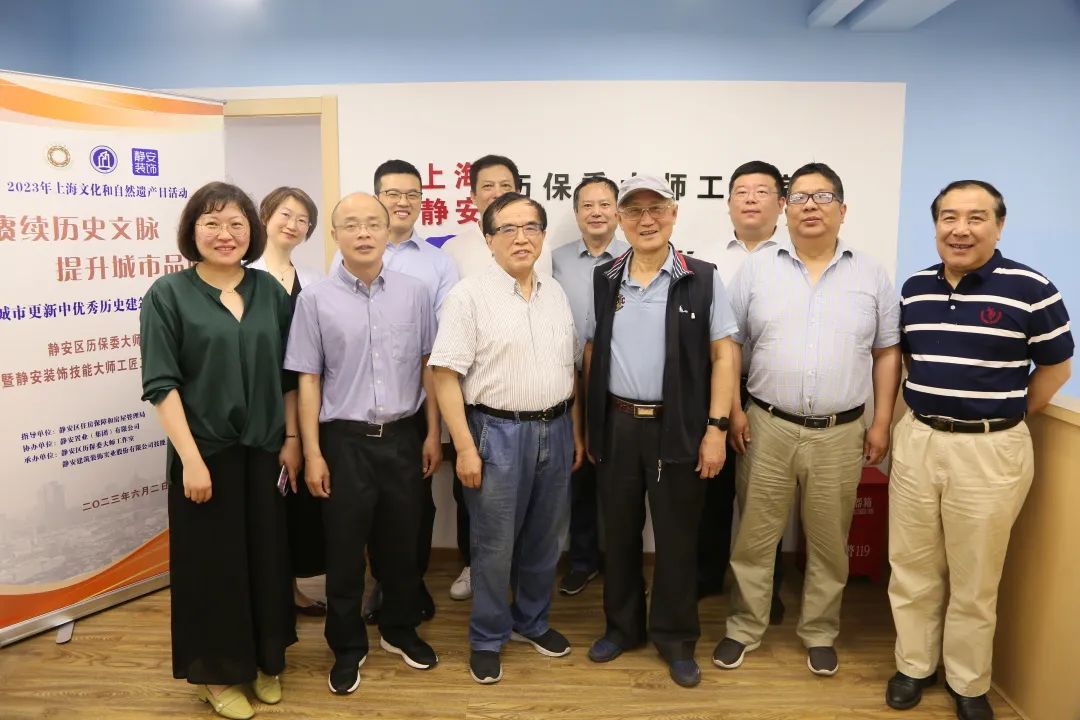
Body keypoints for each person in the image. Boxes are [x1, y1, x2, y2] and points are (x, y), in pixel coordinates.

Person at [885, 180, 1073, 720]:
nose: (960, 229)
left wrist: (1004, 415)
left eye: (975, 218)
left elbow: (1056, 368)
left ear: (999, 225)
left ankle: (968, 681)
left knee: (975, 578)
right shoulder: (915, 289)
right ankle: (914, 665)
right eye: (948, 217)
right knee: (912, 566)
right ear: (935, 225)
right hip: (919, 439)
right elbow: (911, 362)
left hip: (991, 451)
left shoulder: (1032, 289)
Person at [715, 162, 901, 677]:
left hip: (841, 432)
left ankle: (819, 631)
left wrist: (882, 422)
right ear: (785, 208)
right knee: (754, 537)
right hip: (766, 424)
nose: (810, 206)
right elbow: (729, 344)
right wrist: (734, 411)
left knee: (828, 542)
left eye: (822, 197)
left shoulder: (870, 274)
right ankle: (744, 627)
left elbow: (888, 351)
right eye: (799, 197)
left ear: (843, 209)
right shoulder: (757, 269)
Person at [140, 181, 298, 720]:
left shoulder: (268, 291)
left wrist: (292, 441)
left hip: (265, 452)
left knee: (266, 560)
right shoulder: (168, 294)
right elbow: (161, 384)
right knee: (212, 569)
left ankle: (263, 659)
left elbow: (289, 376)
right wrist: (190, 460)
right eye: (211, 223)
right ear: (193, 231)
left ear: (252, 230)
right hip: (204, 456)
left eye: (235, 223)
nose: (225, 234)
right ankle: (215, 674)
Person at [583, 174, 737, 688]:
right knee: (618, 531)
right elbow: (592, 352)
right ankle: (622, 628)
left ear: (673, 214)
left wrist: (716, 428)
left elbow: (724, 356)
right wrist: (591, 426)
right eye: (634, 211)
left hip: (680, 426)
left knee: (676, 538)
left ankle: (675, 638)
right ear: (620, 219)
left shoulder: (702, 277)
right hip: (618, 424)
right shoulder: (606, 278)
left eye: (656, 209)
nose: (646, 220)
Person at [285, 192, 440, 696]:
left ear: (387, 230)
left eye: (373, 223)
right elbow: (308, 379)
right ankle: (347, 647)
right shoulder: (314, 300)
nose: (364, 232)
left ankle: (399, 629)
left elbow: (429, 367)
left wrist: (432, 433)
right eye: (351, 224)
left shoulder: (416, 293)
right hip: (344, 443)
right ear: (336, 236)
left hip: (403, 437)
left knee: (402, 546)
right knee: (345, 552)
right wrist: (313, 453)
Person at [430, 192, 583, 685]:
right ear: (489, 240)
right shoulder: (468, 296)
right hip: (495, 433)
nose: (521, 238)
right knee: (494, 546)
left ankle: (531, 622)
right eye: (508, 229)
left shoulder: (555, 293)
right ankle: (487, 636)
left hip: (556, 429)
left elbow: (570, 367)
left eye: (531, 227)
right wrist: (465, 447)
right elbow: (444, 375)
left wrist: (575, 431)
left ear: (543, 235)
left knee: (545, 539)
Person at [336, 160, 455, 625]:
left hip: (415, 400)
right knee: (367, 509)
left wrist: (435, 425)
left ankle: (410, 581)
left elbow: (439, 340)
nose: (403, 202)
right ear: (378, 199)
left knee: (416, 506)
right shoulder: (350, 254)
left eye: (412, 194)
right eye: (393, 193)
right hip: (360, 410)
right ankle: (380, 584)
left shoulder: (438, 263)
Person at [439, 154, 551, 601]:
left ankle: (528, 610)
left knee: (538, 524)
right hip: (486, 411)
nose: (520, 239)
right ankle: (482, 599)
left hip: (545, 416)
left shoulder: (545, 268)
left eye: (506, 184)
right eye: (488, 185)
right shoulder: (456, 258)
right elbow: (445, 364)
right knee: (483, 516)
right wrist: (464, 441)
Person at [695, 161, 789, 623]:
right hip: (714, 386)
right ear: (729, 201)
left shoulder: (795, 258)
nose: (751, 199)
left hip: (772, 389)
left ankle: (764, 588)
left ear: (782, 203)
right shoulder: (705, 259)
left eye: (762, 191)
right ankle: (706, 574)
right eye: (742, 191)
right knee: (712, 488)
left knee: (765, 498)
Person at [251, 186, 327, 618]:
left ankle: (291, 588)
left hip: (305, 401)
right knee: (263, 502)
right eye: (285, 214)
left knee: (294, 501)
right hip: (259, 405)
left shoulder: (315, 279)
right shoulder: (244, 274)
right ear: (265, 216)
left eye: (302, 219)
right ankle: (266, 593)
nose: (293, 224)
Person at [551, 175, 628, 596]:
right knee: (578, 472)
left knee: (619, 478)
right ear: (576, 212)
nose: (596, 212)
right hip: (567, 380)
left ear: (617, 211)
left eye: (604, 204)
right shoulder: (554, 260)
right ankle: (582, 561)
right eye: (587, 205)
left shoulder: (636, 256)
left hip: (619, 380)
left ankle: (622, 566)